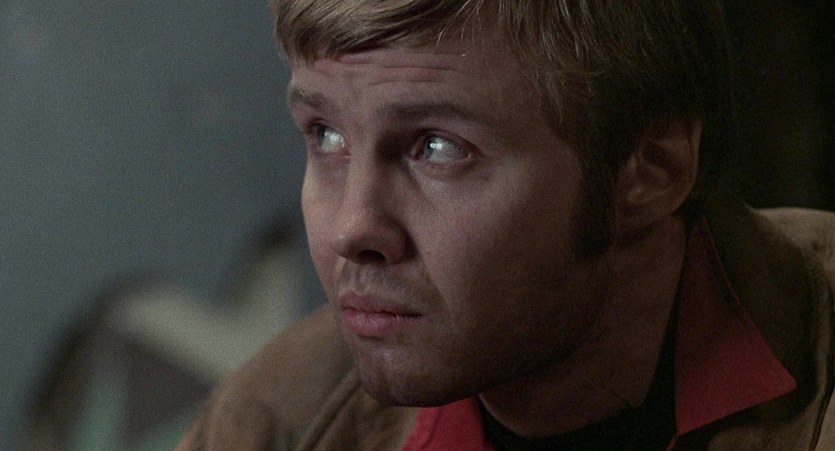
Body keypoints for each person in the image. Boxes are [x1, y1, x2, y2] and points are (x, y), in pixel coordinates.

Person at [177, 1, 835, 449]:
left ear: (652, 170)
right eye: (326, 135)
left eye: (438, 147)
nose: (352, 228)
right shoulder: (273, 421)